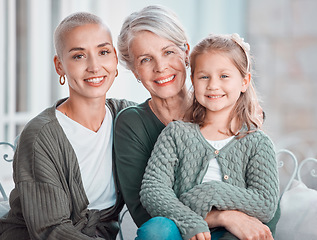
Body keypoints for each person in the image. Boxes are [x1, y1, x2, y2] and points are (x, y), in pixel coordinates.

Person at [114, 5, 279, 240]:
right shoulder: (145, 126)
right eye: (145, 59)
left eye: (169, 52)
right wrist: (220, 215)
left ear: (186, 55)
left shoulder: (244, 124)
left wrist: (213, 199)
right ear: (135, 71)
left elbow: (267, 206)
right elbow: (147, 208)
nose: (160, 67)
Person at [0, 12, 134, 240]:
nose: (94, 66)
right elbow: (50, 230)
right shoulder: (41, 136)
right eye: (79, 56)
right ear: (59, 66)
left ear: (115, 59)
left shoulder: (127, 116)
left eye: (103, 52)